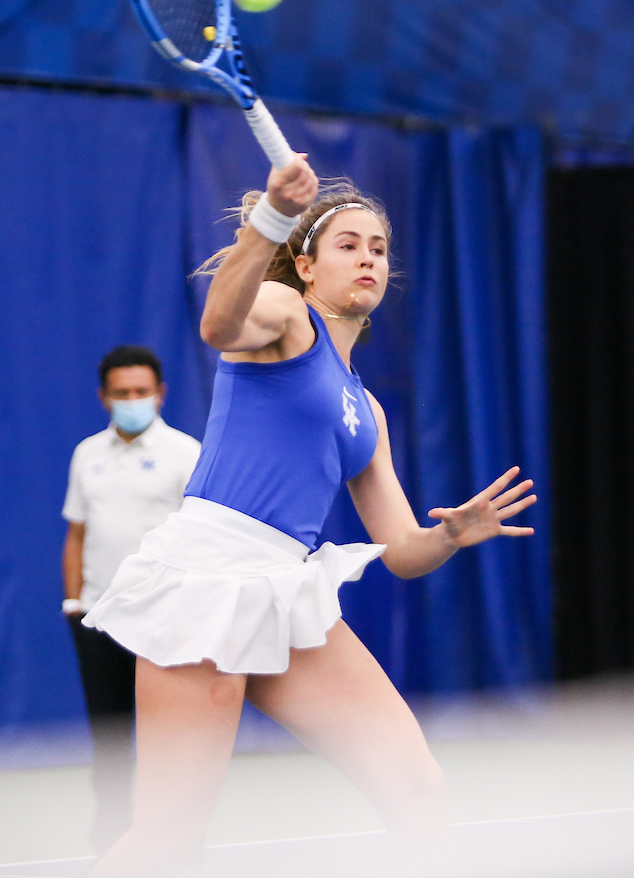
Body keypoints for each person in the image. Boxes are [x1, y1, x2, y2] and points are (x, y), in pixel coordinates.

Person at [84, 158, 536, 878]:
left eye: (380, 249)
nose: (368, 259)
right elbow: (216, 322)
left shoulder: (370, 413)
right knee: (168, 843)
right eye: (349, 245)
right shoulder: (286, 316)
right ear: (308, 264)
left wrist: (450, 535)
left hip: (284, 590)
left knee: (416, 786)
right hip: (204, 577)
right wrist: (268, 217)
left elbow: (400, 550)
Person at [61, 344, 201, 854]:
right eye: (122, 393)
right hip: (98, 622)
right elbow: (77, 534)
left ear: (161, 394)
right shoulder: (86, 455)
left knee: (172, 749)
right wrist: (74, 605)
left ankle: (180, 848)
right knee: (112, 746)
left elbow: (204, 536)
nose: (132, 400)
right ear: (104, 398)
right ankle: (112, 852)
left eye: (142, 391)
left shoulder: (187, 453)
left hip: (168, 623)